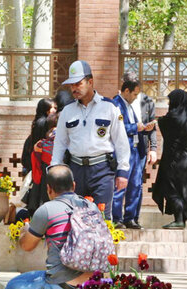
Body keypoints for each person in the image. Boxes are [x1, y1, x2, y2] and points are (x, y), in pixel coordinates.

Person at [5, 165, 92, 289]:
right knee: (52, 280)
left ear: (49, 189)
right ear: (74, 186)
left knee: (12, 287)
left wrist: (25, 231)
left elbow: (27, 246)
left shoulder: (47, 210)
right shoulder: (90, 206)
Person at [52, 60, 130, 220]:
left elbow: (121, 141)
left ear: (90, 82)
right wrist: (54, 170)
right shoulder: (67, 111)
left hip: (102, 171)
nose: (74, 89)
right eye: (71, 85)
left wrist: (123, 171)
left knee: (102, 218)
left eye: (78, 84)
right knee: (75, 219)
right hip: (75, 171)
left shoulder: (110, 107)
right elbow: (59, 143)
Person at [111, 72, 157, 229]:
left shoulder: (133, 105)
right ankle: (116, 218)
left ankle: (130, 217)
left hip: (138, 150)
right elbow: (116, 127)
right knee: (120, 184)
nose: (136, 97)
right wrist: (134, 127)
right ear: (126, 91)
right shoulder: (115, 104)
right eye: (134, 94)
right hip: (124, 151)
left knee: (135, 185)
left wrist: (145, 129)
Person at [152, 89, 187, 229]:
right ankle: (181, 220)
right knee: (184, 191)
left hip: (175, 161)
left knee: (172, 189)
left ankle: (178, 220)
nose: (169, 104)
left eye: (171, 101)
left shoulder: (173, 117)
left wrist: (156, 120)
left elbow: (163, 123)